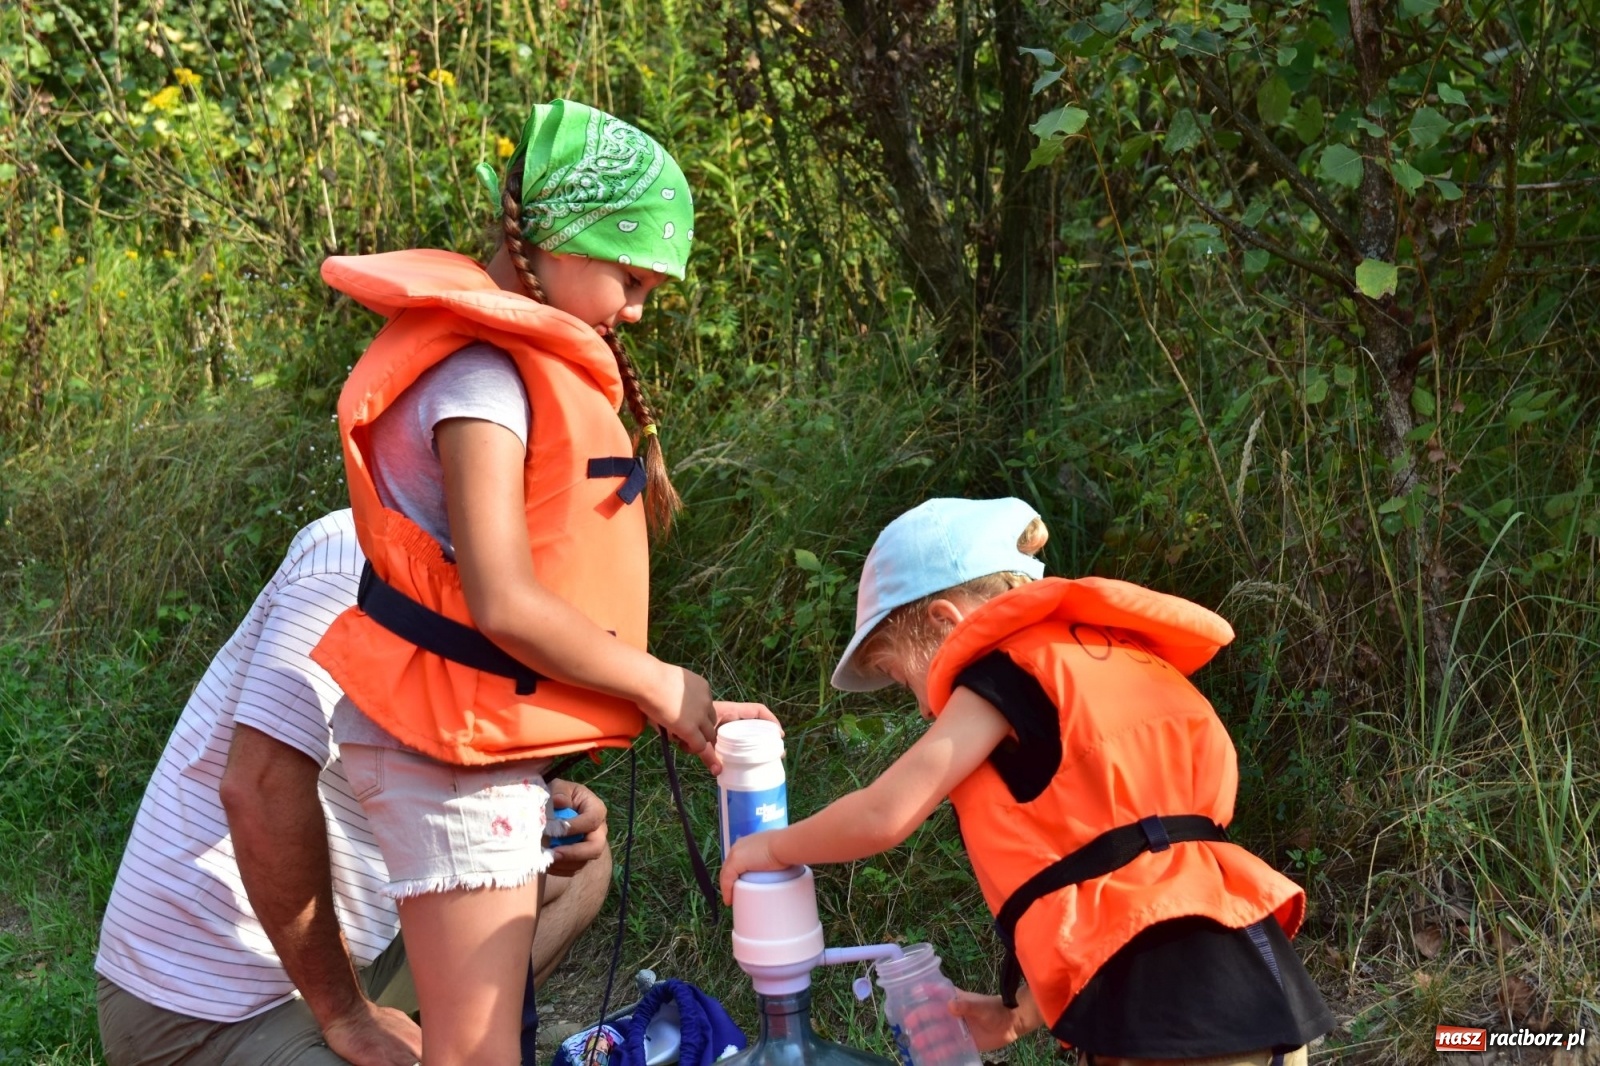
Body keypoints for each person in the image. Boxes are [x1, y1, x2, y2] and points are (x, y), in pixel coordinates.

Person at [311, 98, 774, 1066]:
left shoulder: (507, 367)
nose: (637, 308)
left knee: (478, 1039)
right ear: (560, 240)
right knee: (475, 1052)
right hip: (444, 747)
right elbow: (503, 600)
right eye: (631, 276)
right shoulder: (481, 377)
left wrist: (664, 700)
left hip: (463, 735)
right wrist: (657, 683)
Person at [720, 498, 1335, 1066]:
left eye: (896, 672)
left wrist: (770, 847)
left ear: (944, 621)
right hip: (1262, 985)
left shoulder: (1002, 675)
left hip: (1169, 1020)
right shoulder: (1114, 659)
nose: (916, 701)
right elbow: (1130, 871)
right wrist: (1021, 1017)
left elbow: (886, 813)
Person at [95, 508, 613, 1066]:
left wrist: (534, 805)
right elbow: (258, 790)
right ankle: (361, 1034)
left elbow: (416, 768)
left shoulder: (496, 591)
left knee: (579, 868)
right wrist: (346, 1014)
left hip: (352, 952)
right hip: (211, 999)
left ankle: (428, 1037)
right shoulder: (354, 562)